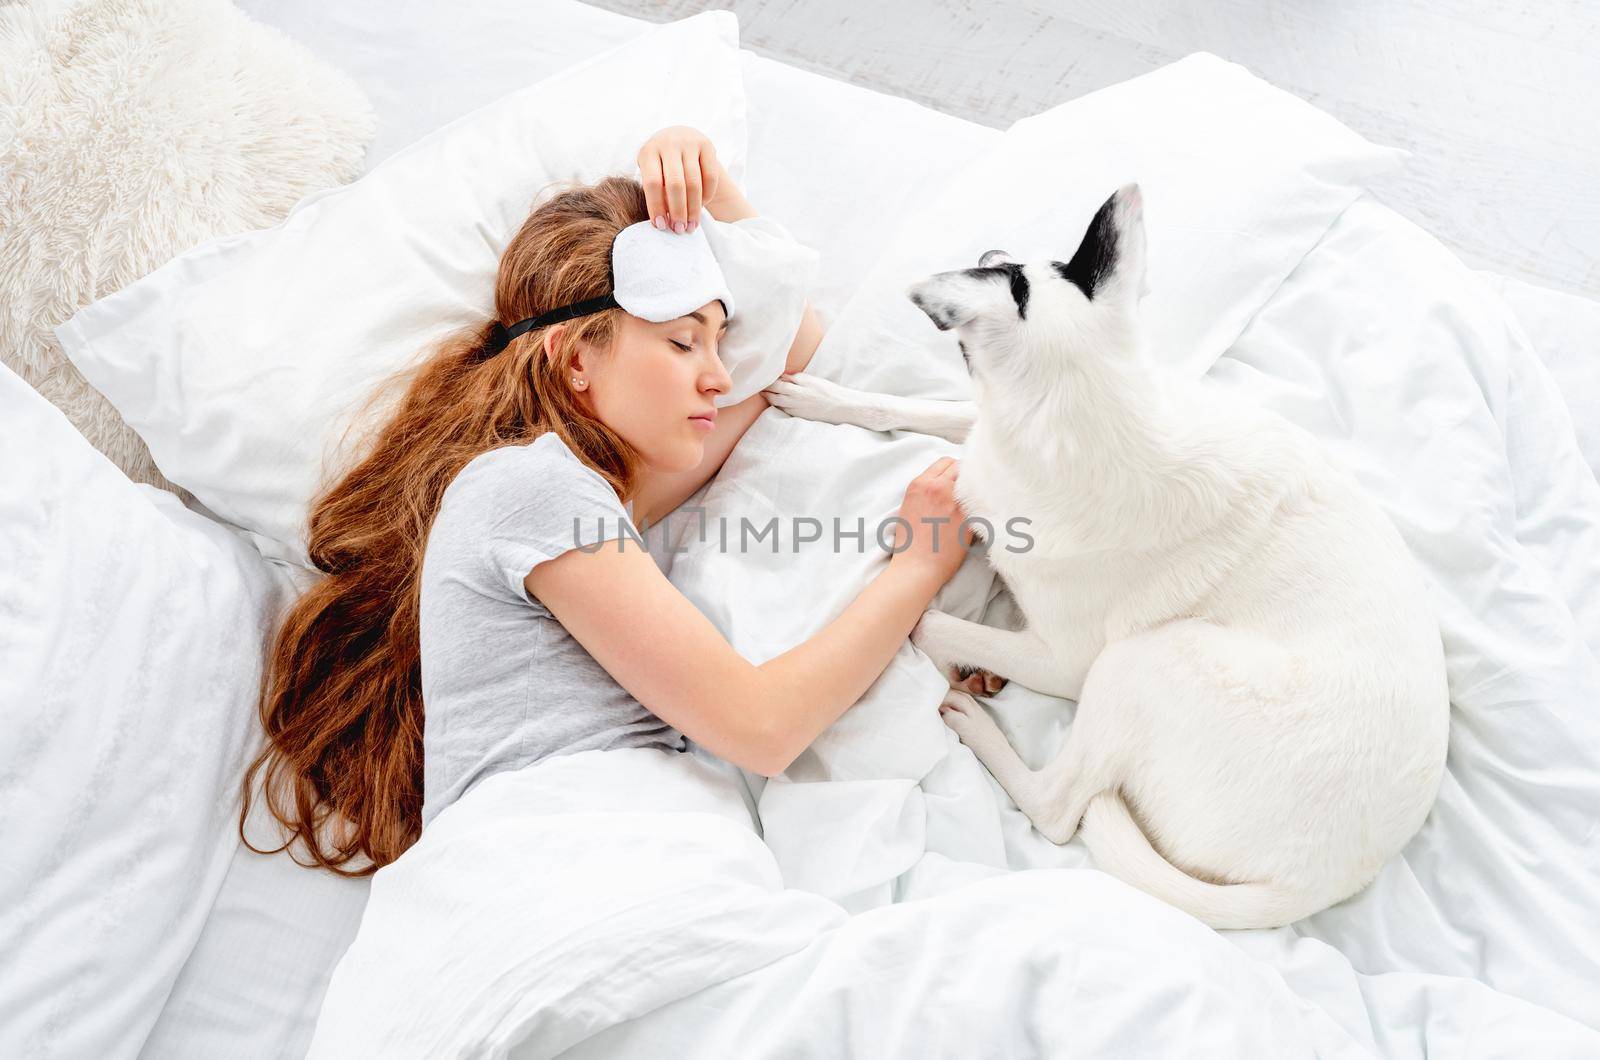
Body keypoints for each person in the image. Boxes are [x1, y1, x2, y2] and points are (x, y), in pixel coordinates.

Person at [240, 125, 973, 875]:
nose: (719, 375)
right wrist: (916, 569)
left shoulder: (590, 494)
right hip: (585, 861)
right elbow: (763, 726)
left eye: (720, 342)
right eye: (684, 344)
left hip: (619, 857)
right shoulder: (533, 489)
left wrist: (709, 185)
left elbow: (793, 352)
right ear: (577, 358)